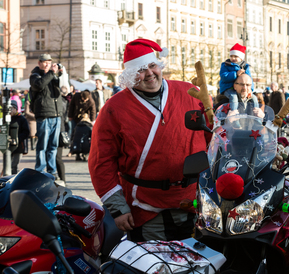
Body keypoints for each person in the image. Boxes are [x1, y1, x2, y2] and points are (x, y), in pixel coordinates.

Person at [88, 38, 210, 242]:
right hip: (143, 208)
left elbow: (213, 139)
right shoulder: (113, 108)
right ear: (130, 75)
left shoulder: (190, 93)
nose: (149, 74)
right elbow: (102, 162)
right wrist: (117, 208)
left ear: (159, 65)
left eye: (152, 66)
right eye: (141, 70)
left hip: (192, 202)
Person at [29, 53, 64, 177]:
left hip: (56, 114)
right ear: (39, 63)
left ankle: (51, 171)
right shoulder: (35, 76)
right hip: (44, 115)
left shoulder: (54, 75)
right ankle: (39, 171)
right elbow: (39, 85)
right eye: (44, 62)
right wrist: (51, 73)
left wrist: (61, 75)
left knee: (53, 146)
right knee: (42, 145)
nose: (47, 64)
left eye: (49, 62)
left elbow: (63, 89)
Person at [219, 43, 258, 110]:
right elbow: (224, 77)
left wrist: (250, 90)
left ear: (241, 58)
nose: (233, 58)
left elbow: (249, 79)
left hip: (240, 89)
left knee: (254, 98)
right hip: (228, 88)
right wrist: (236, 74)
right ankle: (233, 113)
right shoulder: (225, 65)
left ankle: (256, 113)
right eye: (231, 56)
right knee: (233, 97)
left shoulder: (245, 66)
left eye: (236, 56)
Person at [10, 100, 30, 175]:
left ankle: (14, 178)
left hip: (19, 146)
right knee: (8, 164)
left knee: (14, 165)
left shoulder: (22, 119)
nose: (10, 111)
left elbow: (26, 132)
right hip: (9, 146)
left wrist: (17, 138)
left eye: (12, 108)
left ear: (16, 109)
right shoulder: (7, 118)